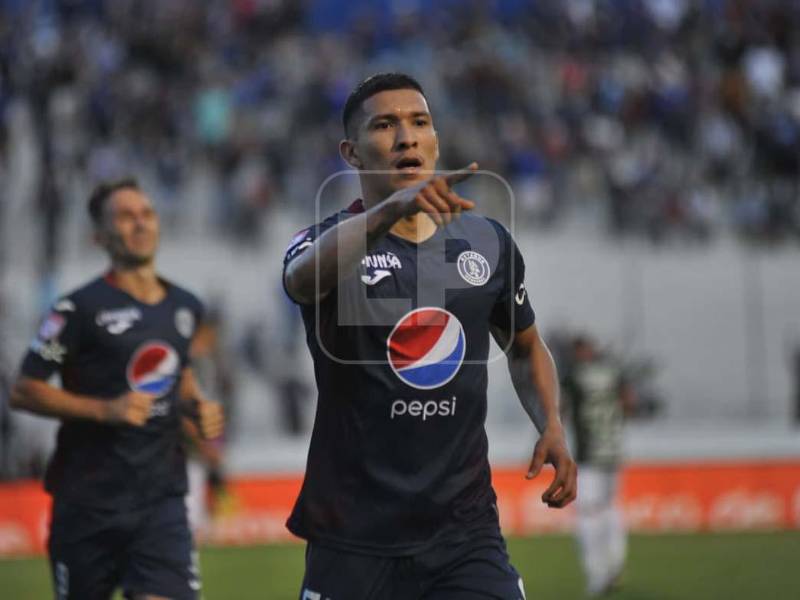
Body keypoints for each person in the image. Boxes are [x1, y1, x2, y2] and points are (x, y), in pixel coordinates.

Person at [282, 72, 576, 599]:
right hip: (353, 538)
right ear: (351, 152)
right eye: (385, 125)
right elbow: (301, 281)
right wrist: (390, 211)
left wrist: (550, 422)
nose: (406, 138)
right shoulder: (323, 243)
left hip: (464, 534)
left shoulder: (487, 243)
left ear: (435, 140)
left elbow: (526, 346)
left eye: (420, 122)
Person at [10, 179, 224, 600]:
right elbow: (24, 389)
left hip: (160, 501)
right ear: (100, 237)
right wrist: (106, 409)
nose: (140, 224)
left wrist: (195, 406)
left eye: (147, 214)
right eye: (126, 217)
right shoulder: (77, 309)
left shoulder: (186, 306)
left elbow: (177, 371)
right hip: (87, 505)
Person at [561, 335, 635, 597]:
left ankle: (598, 575)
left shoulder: (573, 377)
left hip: (588, 455)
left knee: (588, 513)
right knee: (611, 508)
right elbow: (630, 403)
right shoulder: (613, 373)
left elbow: (560, 408)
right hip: (613, 451)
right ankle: (614, 565)